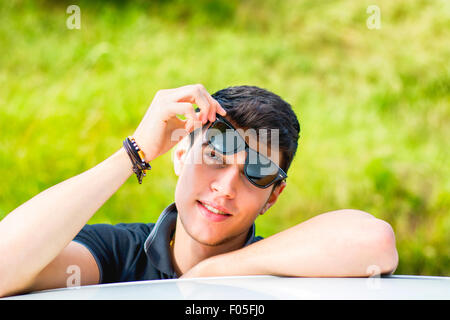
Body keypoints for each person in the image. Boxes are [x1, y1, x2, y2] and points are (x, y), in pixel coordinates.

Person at [0, 84, 398, 297]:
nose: (225, 188)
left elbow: (374, 240)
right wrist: (133, 152)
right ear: (178, 156)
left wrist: (213, 272)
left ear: (272, 197)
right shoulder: (118, 258)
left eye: (256, 173)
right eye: (214, 155)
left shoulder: (289, 268)